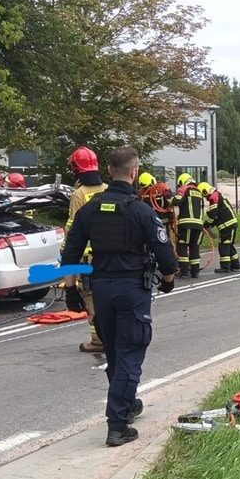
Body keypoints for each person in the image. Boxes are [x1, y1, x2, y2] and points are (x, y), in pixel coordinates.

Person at [60, 146, 178, 447]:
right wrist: (167, 281)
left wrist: (71, 289)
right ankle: (117, 425)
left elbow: (71, 251)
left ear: (110, 172)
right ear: (134, 172)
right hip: (132, 290)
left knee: (114, 351)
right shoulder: (141, 211)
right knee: (130, 352)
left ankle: (127, 403)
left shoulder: (89, 209)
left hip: (101, 290)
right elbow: (166, 256)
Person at [65, 146, 109, 353]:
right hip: (108, 254)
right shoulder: (108, 189)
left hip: (87, 258)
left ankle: (98, 341)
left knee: (91, 299)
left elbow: (73, 229)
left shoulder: (79, 194)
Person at [200, 182, 240, 273]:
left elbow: (212, 215)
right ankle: (235, 265)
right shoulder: (218, 195)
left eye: (204, 196)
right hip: (231, 225)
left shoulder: (214, 197)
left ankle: (225, 267)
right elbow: (217, 215)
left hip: (227, 226)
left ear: (205, 191)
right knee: (229, 246)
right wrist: (210, 225)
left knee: (224, 246)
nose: (205, 198)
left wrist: (206, 224)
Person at [173, 173, 205, 277]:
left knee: (182, 245)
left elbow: (176, 201)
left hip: (186, 224)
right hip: (199, 225)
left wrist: (168, 196)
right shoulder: (198, 191)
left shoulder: (184, 189)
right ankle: (195, 271)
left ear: (182, 181)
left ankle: (184, 271)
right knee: (194, 247)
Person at [136, 172, 175, 239]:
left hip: (162, 222)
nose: (148, 189)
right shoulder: (141, 192)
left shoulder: (162, 188)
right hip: (149, 222)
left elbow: (171, 205)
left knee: (162, 239)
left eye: (148, 186)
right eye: (145, 187)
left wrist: (171, 221)